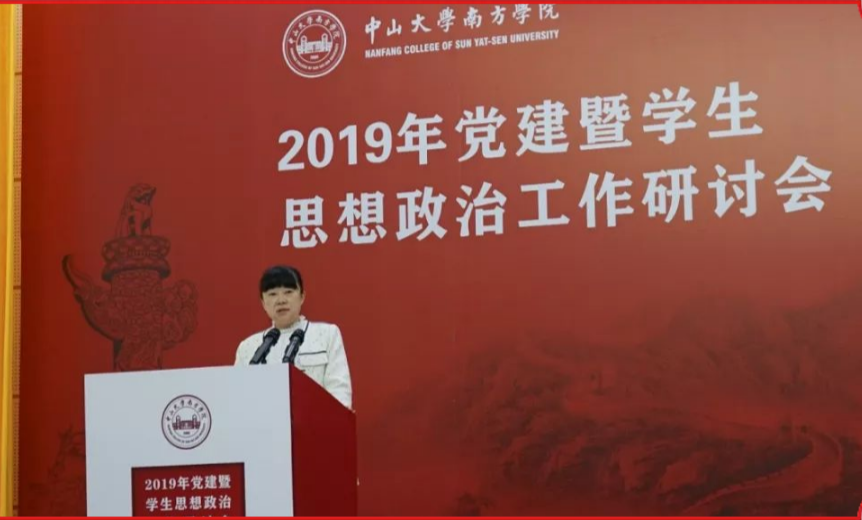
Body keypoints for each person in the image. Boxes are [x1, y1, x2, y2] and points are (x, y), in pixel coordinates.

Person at [234, 265, 352, 409]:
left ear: (302, 296)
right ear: (263, 303)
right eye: (272, 294)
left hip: (316, 420)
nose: (281, 300)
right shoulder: (248, 347)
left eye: (288, 292)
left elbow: (339, 392)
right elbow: (238, 399)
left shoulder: (326, 334)